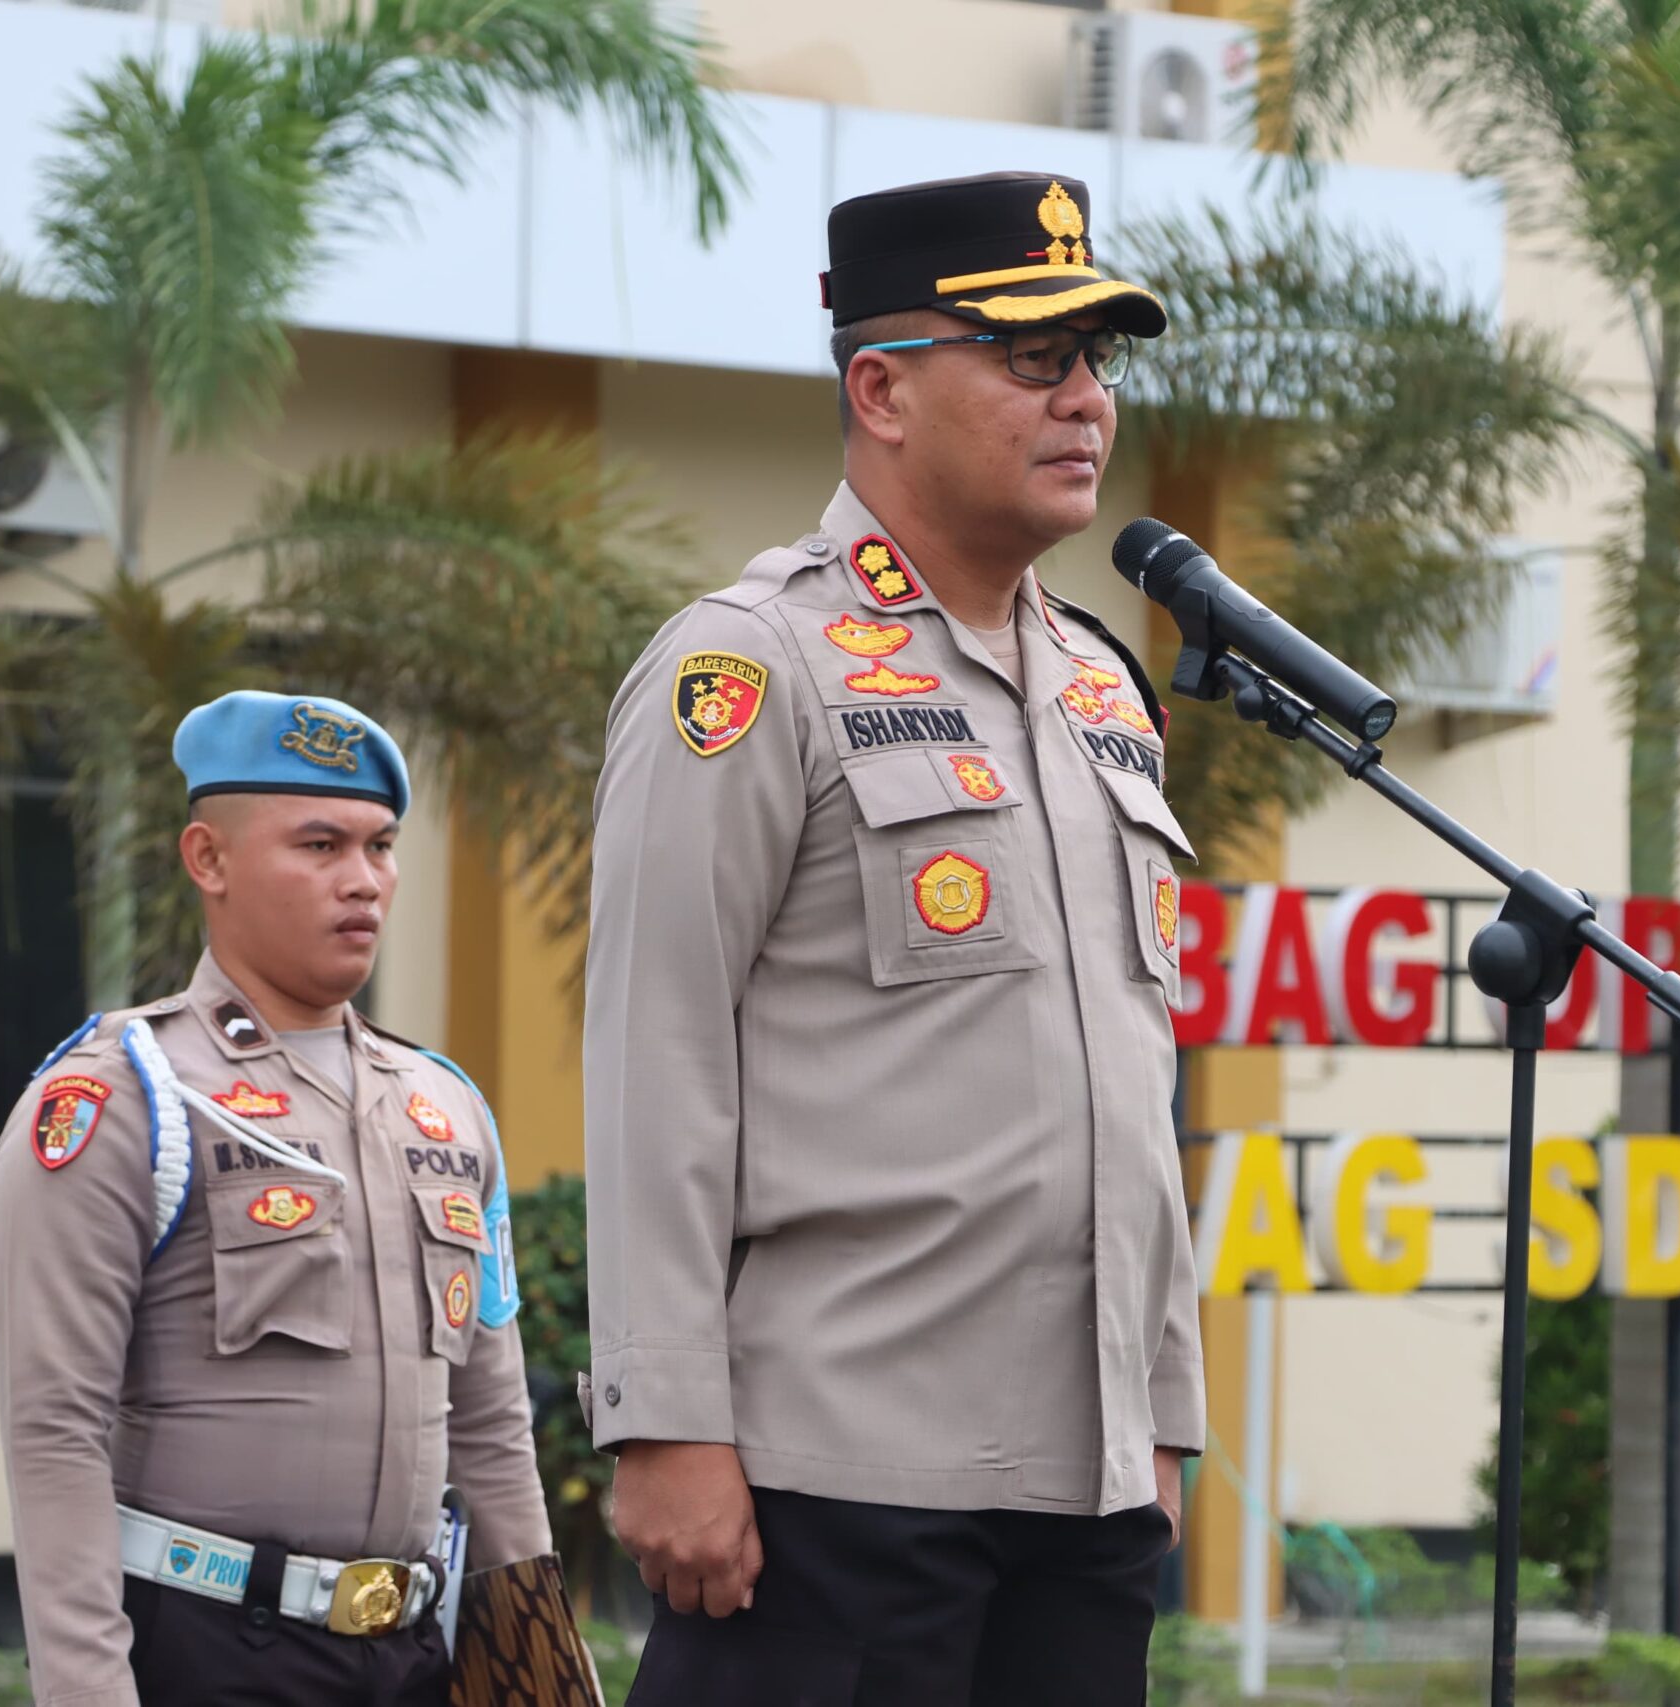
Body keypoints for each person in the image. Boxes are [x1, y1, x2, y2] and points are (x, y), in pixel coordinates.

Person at [583, 171, 1207, 1705]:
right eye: (1031, 358)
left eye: (1098, 362)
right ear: (881, 388)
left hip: (1086, 1493)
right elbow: (655, 1051)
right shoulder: (750, 664)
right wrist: (665, 1422)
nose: (1084, 401)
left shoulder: (1104, 692)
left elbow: (1138, 1078)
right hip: (834, 1481)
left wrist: (1165, 1410)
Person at [0, 690, 551, 1706]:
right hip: (208, 1651)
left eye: (380, 847)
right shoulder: (124, 1094)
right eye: (320, 845)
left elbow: (493, 1427)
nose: (364, 883)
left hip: (412, 1655)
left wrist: (542, 1679)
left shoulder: (443, 1108)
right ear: (207, 859)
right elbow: (54, 1430)